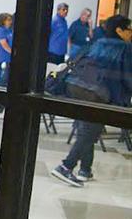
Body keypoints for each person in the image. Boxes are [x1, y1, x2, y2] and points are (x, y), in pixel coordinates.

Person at [51, 15, 132, 187]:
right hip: (98, 94)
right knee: (90, 132)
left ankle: (85, 171)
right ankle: (66, 166)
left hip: (77, 88)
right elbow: (127, 77)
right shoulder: (126, 48)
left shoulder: (98, 43)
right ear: (119, 30)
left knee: (86, 129)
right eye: (129, 29)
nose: (131, 33)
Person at [0, 12, 13, 83]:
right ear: (3, 21)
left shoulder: (10, 30)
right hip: (3, 57)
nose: (10, 22)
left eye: (10, 19)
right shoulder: (1, 30)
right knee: (3, 79)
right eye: (8, 20)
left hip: (9, 58)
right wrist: (12, 52)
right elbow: (4, 44)